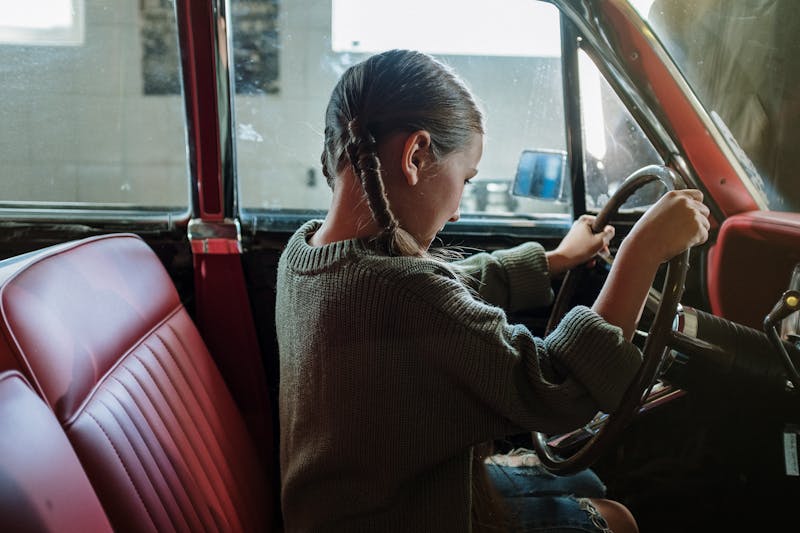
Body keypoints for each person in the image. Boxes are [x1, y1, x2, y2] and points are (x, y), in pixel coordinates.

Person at [275, 49, 710, 532]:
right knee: (618, 519)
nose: (458, 211)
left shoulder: (306, 254)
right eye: (465, 179)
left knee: (585, 480)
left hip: (352, 505)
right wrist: (641, 254)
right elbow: (560, 392)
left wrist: (555, 261)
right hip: (400, 515)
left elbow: (444, 290)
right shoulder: (404, 293)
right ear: (416, 155)